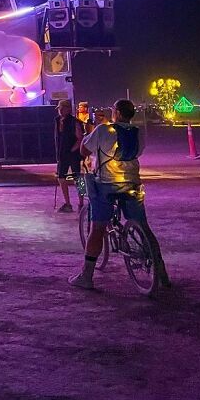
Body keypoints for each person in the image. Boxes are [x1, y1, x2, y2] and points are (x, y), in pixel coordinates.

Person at [69, 99, 170, 290]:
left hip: (106, 184)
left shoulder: (103, 130)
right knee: (144, 228)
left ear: (117, 113)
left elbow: (84, 149)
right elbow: (138, 152)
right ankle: (162, 273)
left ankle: (87, 276)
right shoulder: (138, 132)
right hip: (132, 183)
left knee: (97, 228)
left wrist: (89, 136)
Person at [54, 99, 84, 212]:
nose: (60, 111)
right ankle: (67, 203)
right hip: (62, 154)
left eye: (63, 108)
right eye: (59, 108)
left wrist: (72, 150)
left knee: (78, 178)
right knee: (61, 177)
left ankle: (81, 202)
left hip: (73, 154)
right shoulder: (57, 121)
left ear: (68, 109)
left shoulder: (74, 122)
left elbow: (80, 138)